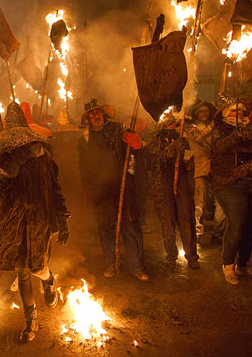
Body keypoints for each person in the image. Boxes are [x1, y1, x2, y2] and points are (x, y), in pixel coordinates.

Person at [0, 101, 70, 342]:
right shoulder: (6, 159)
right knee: (22, 271)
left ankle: (49, 279)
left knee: (36, 267)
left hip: (38, 219)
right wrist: (7, 173)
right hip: (14, 221)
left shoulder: (44, 157)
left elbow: (55, 189)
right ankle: (30, 320)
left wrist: (63, 219)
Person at [77, 98, 148, 280]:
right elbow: (84, 167)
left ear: (103, 113)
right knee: (105, 227)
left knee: (130, 227)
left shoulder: (118, 129)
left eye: (98, 112)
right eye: (91, 114)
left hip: (122, 186)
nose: (96, 116)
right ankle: (111, 263)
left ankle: (136, 267)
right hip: (101, 191)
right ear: (87, 119)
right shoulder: (84, 140)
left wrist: (131, 168)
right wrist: (88, 190)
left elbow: (132, 156)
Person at [210, 96, 252, 285]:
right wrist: (238, 135)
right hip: (229, 184)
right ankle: (228, 265)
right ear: (226, 113)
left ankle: (242, 264)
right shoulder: (219, 130)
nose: (239, 113)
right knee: (238, 225)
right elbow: (219, 148)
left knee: (251, 227)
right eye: (235, 110)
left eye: (242, 110)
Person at [146, 107, 199, 269]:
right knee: (167, 222)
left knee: (186, 219)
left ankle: (191, 256)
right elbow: (158, 160)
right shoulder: (155, 139)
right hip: (161, 184)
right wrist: (173, 148)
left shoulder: (182, 137)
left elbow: (189, 165)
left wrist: (187, 158)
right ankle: (171, 255)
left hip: (182, 182)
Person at [183, 99, 226, 245]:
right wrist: (213, 126)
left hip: (215, 168)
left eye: (206, 111)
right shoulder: (190, 128)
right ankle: (198, 233)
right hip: (198, 168)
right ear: (196, 113)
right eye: (201, 111)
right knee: (199, 203)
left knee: (219, 202)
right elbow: (199, 138)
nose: (204, 114)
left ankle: (218, 233)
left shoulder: (214, 128)